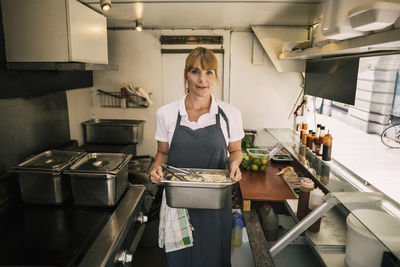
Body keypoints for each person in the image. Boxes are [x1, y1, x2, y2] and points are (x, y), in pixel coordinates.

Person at [150, 47, 244, 267]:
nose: (202, 80)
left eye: (209, 72)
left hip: (215, 204)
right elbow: (163, 153)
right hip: (178, 203)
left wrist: (236, 165)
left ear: (216, 76)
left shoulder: (230, 114)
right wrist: (156, 168)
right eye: (195, 71)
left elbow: (236, 151)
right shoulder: (166, 113)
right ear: (186, 75)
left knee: (213, 258)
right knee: (180, 260)